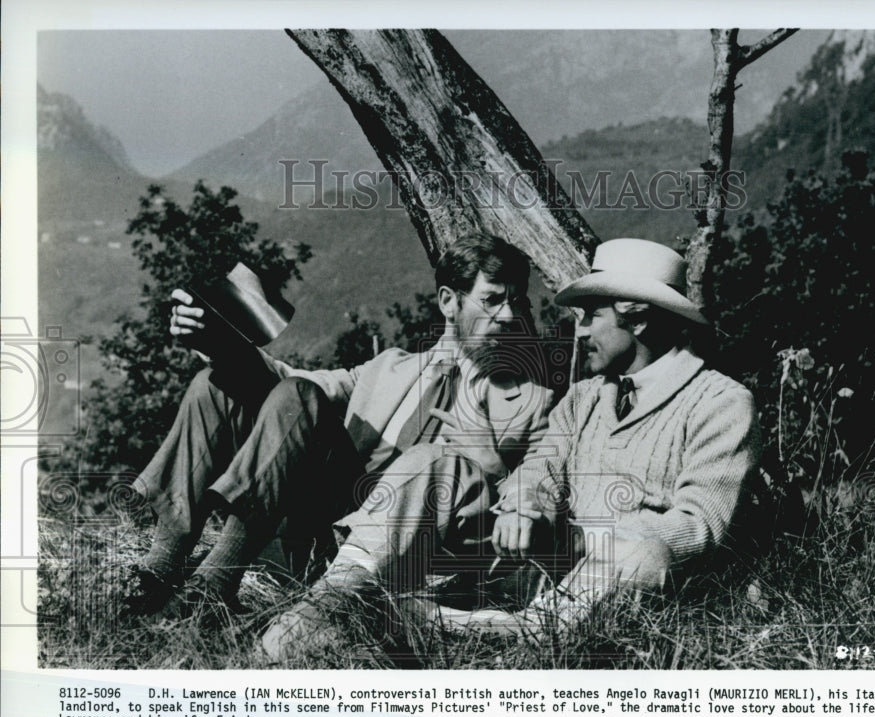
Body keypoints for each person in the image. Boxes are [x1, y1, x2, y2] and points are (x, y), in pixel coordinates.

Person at [260, 237, 761, 656]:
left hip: (628, 584)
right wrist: (526, 507)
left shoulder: (721, 402)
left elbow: (700, 526)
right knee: (432, 462)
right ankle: (330, 602)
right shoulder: (584, 399)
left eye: (591, 316)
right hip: (545, 573)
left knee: (642, 552)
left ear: (640, 320)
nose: (578, 329)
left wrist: (588, 540)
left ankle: (464, 627)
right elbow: (539, 470)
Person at [123, 232, 554, 622]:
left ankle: (211, 588)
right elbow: (286, 385)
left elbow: (543, 494)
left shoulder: (532, 401)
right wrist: (214, 339)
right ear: (448, 301)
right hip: (313, 530)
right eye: (493, 299)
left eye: (517, 301)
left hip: (389, 559)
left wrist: (492, 465)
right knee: (219, 386)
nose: (508, 315)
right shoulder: (390, 368)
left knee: (295, 395)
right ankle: (163, 565)